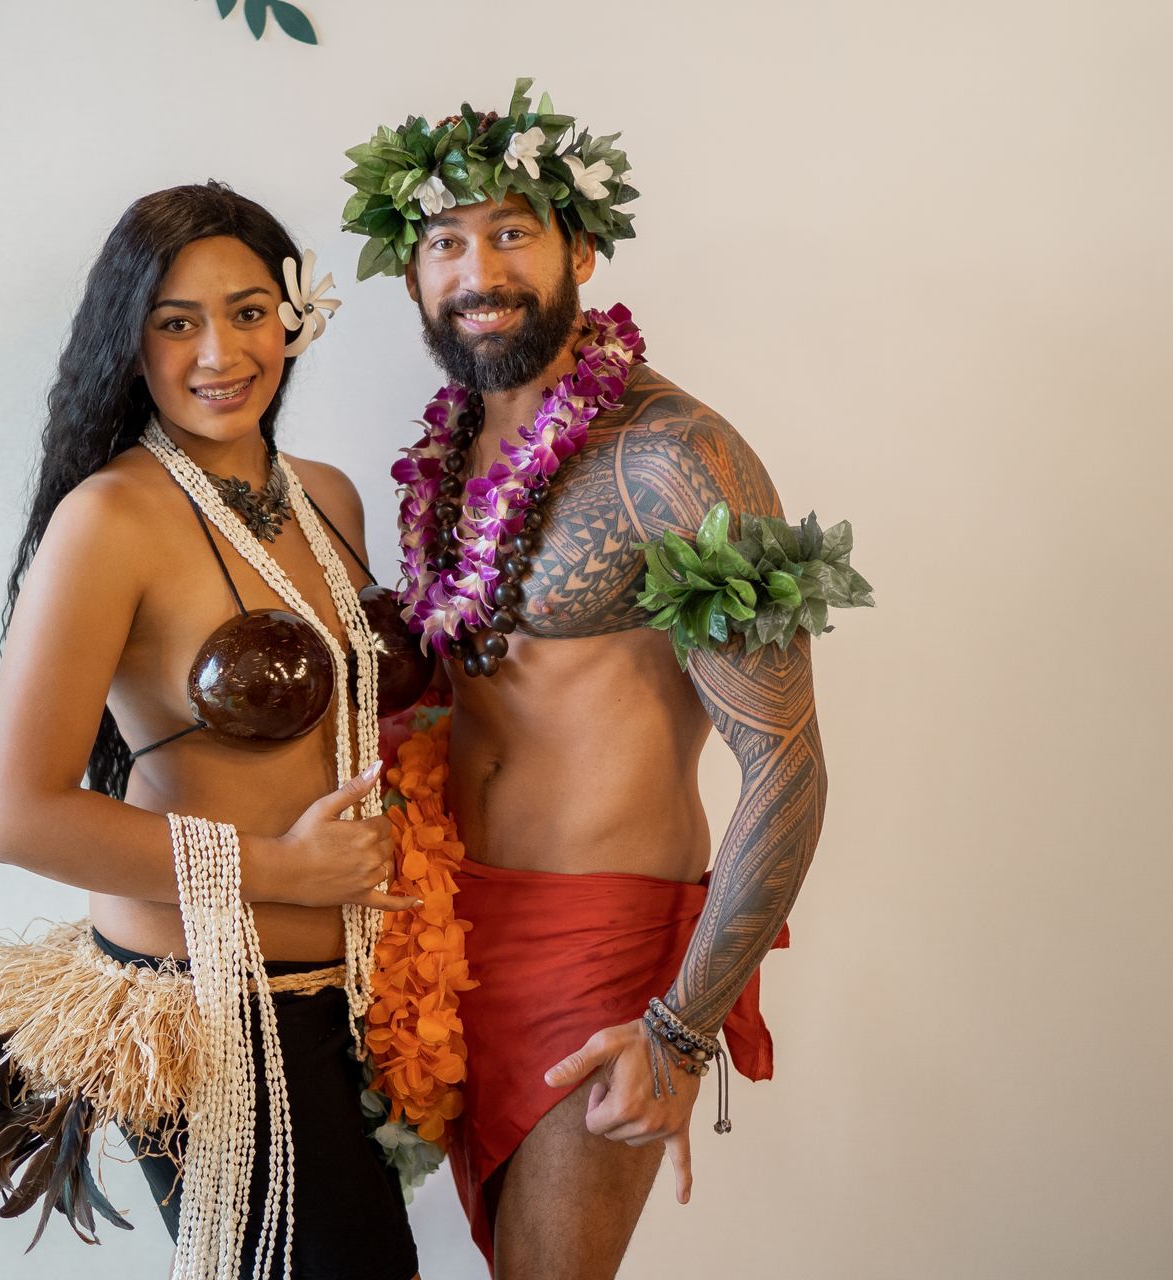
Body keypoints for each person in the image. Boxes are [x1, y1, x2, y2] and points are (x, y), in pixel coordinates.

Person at [341, 82, 831, 1278]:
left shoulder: (678, 458)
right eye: (446, 243)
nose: (479, 269)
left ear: (581, 249)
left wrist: (677, 1029)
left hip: (600, 935)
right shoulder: (451, 449)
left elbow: (786, 761)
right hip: (446, 926)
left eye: (513, 232)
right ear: (412, 275)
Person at [0, 181, 434, 1280]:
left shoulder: (330, 496)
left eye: (248, 311)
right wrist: (286, 866)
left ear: (295, 317)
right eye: (176, 321)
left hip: (350, 1001)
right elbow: (14, 815)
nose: (219, 351)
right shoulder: (110, 518)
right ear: (132, 341)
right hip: (210, 1012)